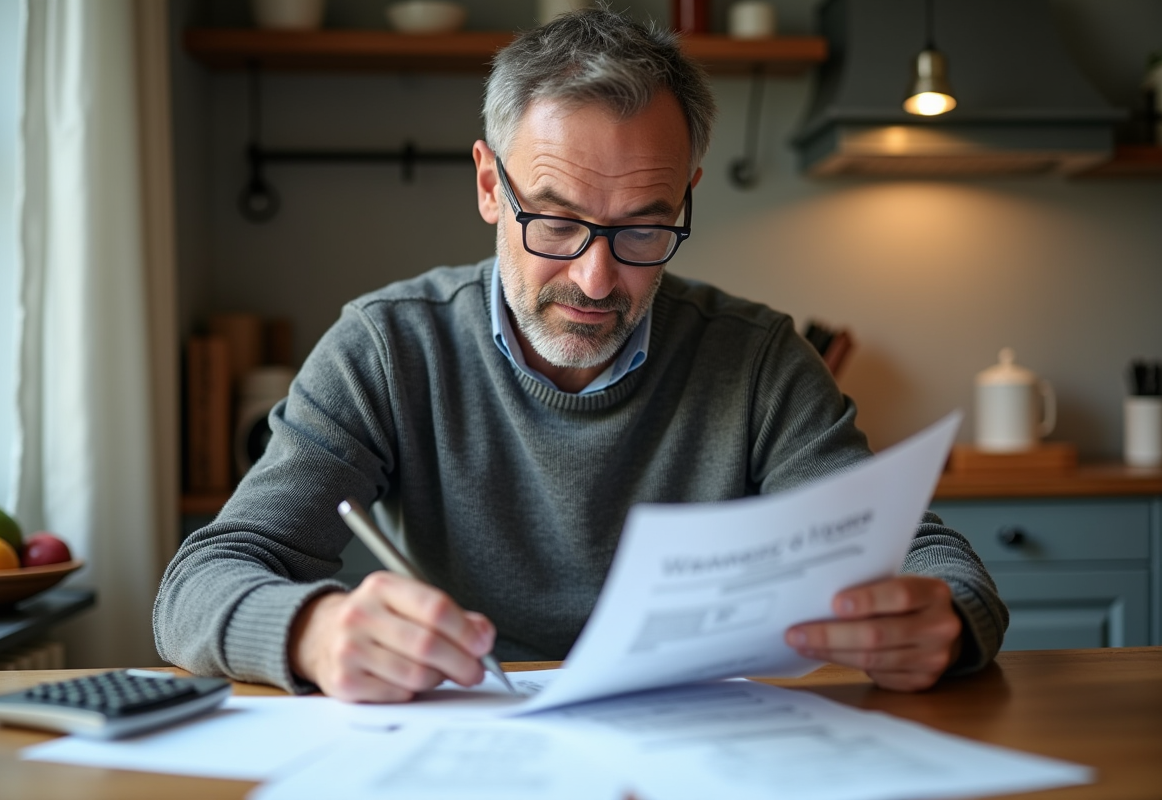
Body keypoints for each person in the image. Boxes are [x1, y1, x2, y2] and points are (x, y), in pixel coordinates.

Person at [154, 8, 1007, 702]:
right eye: (556, 221)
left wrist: (946, 618)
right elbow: (200, 580)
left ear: (686, 197)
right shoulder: (389, 345)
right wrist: (311, 631)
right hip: (474, 744)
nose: (597, 278)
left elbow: (926, 558)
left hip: (703, 750)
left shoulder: (757, 361)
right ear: (490, 185)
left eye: (644, 227)